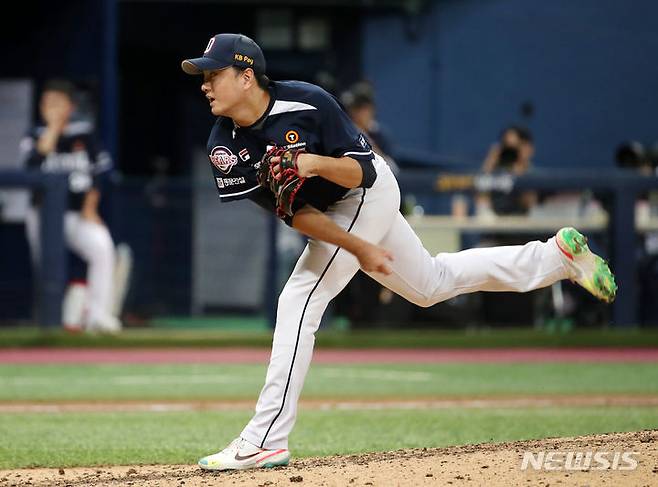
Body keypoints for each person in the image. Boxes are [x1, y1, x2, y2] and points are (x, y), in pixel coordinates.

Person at [181, 33, 617, 471]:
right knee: (431, 284)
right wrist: (358, 248)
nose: (204, 83)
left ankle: (265, 438)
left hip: (368, 193)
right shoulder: (224, 146)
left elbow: (362, 172)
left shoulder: (308, 102)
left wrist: (311, 163)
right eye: (203, 75)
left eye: (214, 73)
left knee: (299, 299)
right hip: (334, 215)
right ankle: (555, 257)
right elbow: (294, 215)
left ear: (247, 76)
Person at [20, 79, 121, 334]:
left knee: (102, 247)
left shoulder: (84, 133)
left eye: (57, 103)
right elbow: (34, 162)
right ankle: (48, 320)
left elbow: (99, 172)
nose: (51, 107)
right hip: (42, 215)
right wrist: (53, 127)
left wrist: (91, 206)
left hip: (77, 213)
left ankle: (98, 316)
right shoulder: (34, 134)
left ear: (70, 106)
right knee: (45, 266)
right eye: (47, 102)